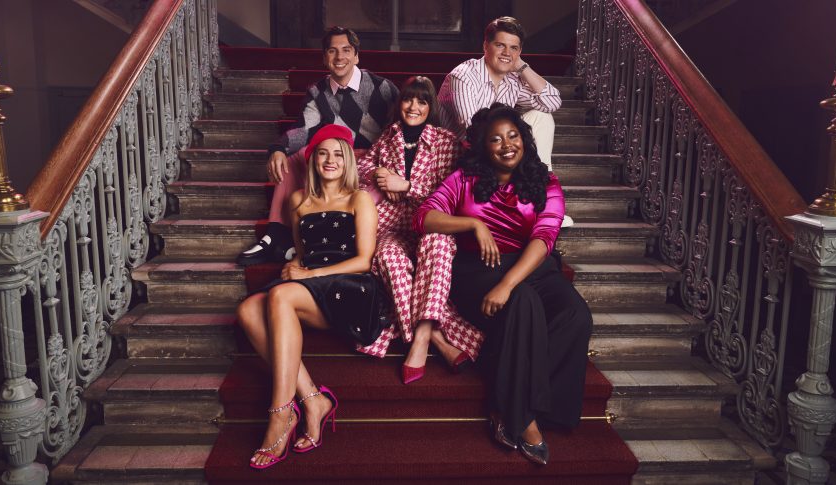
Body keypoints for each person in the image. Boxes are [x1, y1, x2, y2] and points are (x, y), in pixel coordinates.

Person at [413, 104, 593, 465]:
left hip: (530, 265)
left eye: (513, 136)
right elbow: (423, 217)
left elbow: (544, 237)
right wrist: (472, 225)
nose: (506, 144)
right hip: (478, 269)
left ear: (524, 139)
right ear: (483, 146)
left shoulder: (546, 182)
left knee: (575, 314)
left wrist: (507, 283)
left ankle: (511, 399)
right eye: (495, 139)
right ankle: (521, 419)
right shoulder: (465, 179)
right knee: (524, 303)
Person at [236, 125, 386, 469]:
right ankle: (313, 399)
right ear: (313, 159)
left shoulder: (358, 198)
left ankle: (280, 413)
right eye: (323, 153)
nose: (330, 160)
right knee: (247, 310)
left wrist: (307, 275)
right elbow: (305, 252)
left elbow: (364, 259)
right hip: (309, 285)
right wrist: (296, 268)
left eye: (337, 154)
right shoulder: (297, 200)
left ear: (347, 160)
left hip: (352, 289)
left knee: (281, 298)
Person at [354, 76, 484, 383]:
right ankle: (436, 338)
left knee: (439, 245)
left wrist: (407, 185)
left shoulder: (446, 142)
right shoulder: (389, 136)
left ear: (431, 107)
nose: (413, 106)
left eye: (421, 101)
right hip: (391, 224)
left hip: (430, 222)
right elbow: (358, 170)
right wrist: (378, 171)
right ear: (400, 104)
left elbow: (450, 192)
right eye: (408, 99)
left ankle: (421, 337)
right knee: (388, 258)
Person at [237, 26, 399, 266]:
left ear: (356, 55)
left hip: (370, 159)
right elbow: (304, 129)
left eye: (346, 50)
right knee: (293, 158)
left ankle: (321, 238)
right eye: (332, 51)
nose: (339, 57)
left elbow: (397, 131)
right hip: (334, 154)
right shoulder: (317, 91)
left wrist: (391, 166)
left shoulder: (381, 88)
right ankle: (276, 235)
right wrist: (278, 149)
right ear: (324, 58)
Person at [437, 16, 561, 171]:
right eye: (500, 45)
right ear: (486, 46)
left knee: (542, 117)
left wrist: (522, 67)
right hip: (464, 156)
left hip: (498, 149)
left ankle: (542, 180)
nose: (507, 53)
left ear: (520, 52)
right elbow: (472, 131)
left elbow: (552, 102)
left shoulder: (512, 80)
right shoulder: (464, 76)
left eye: (513, 48)